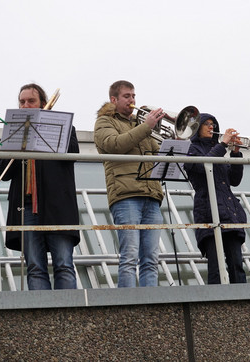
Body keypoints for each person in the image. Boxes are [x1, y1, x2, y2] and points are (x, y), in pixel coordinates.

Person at [0, 83, 80, 290]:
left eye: (31, 101)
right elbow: (3, 173)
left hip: (57, 205)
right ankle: (41, 317)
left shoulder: (65, 126)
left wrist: (41, 131)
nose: (25, 105)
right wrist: (20, 143)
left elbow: (73, 154)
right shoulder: (14, 131)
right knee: (34, 266)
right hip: (25, 206)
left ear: (43, 104)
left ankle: (71, 315)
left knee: (64, 264)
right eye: (22, 101)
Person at [94, 80, 164, 288]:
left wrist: (175, 137)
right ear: (114, 99)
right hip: (126, 196)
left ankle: (150, 305)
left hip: (151, 195)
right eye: (127, 96)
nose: (132, 100)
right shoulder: (104, 122)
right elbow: (114, 145)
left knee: (151, 259)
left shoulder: (140, 126)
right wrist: (146, 127)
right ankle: (127, 308)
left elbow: (157, 154)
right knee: (129, 256)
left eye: (133, 96)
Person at [184, 113, 247, 284]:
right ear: (197, 128)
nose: (212, 127)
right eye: (207, 124)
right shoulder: (191, 149)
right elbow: (203, 165)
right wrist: (223, 144)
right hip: (208, 212)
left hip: (229, 212)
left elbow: (234, 181)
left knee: (237, 265)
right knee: (216, 267)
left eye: (213, 124)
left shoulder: (219, 151)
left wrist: (235, 153)